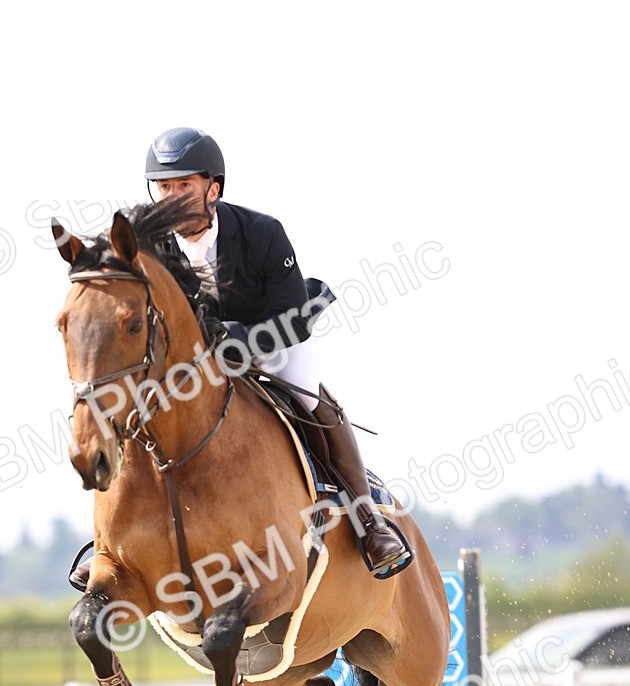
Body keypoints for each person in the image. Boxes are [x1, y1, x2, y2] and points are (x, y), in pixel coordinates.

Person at [69, 128, 410, 589]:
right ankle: (109, 542)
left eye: (183, 186)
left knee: (312, 402)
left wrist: (239, 340)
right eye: (164, 187)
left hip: (274, 340)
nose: (171, 197)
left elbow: (294, 321)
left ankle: (369, 522)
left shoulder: (262, 232)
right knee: (137, 409)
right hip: (200, 360)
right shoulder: (150, 248)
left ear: (214, 189)